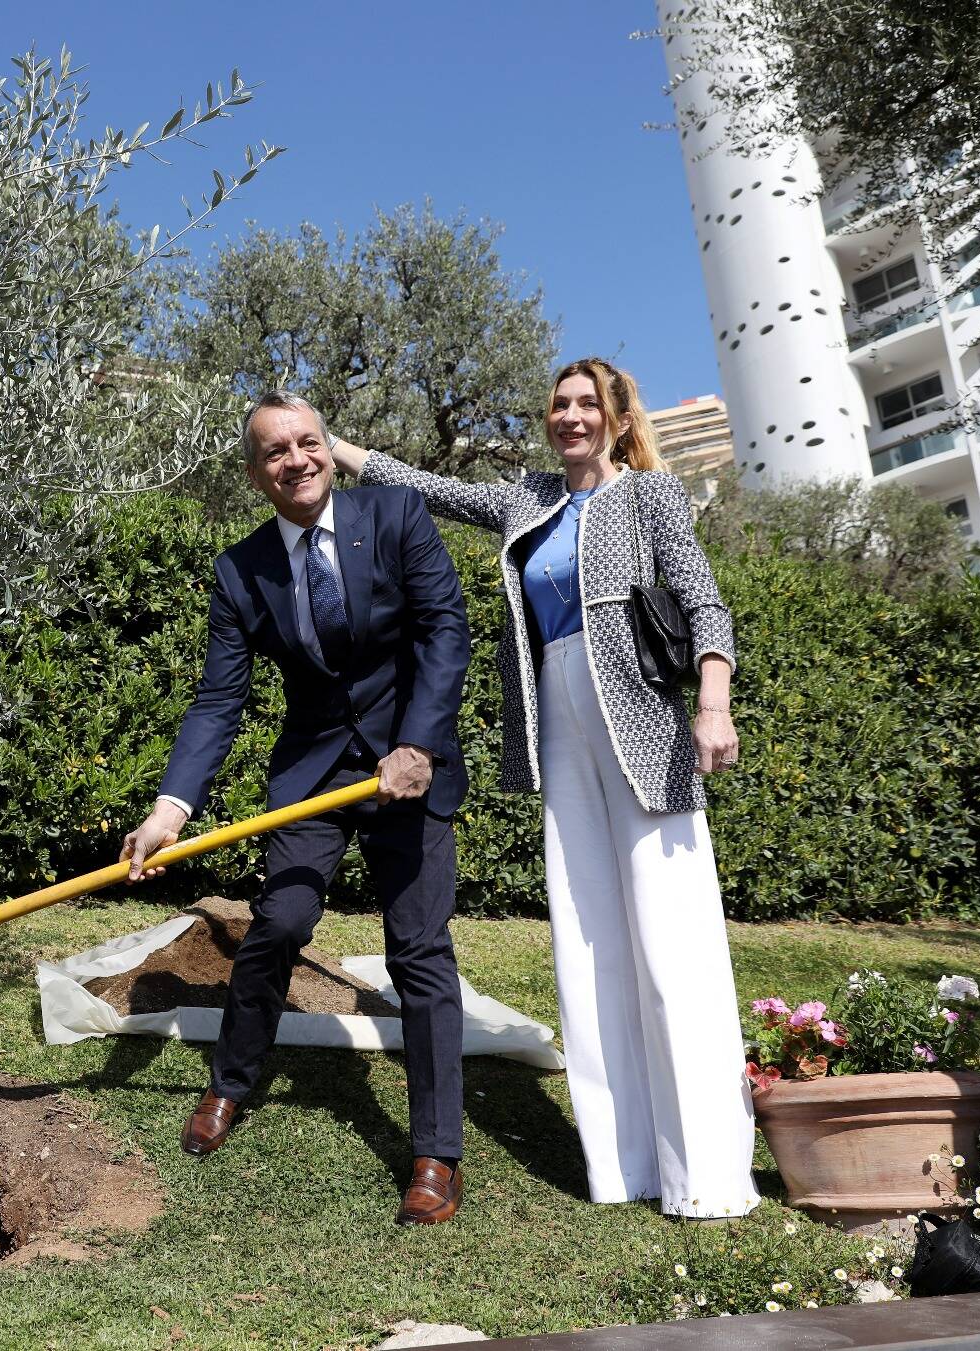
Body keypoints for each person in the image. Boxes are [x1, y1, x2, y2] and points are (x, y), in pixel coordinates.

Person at [327, 356, 758, 1220]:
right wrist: (331, 445)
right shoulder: (530, 498)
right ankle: (623, 1165)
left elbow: (704, 604)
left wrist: (713, 705)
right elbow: (431, 485)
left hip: (645, 728)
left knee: (671, 947)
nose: (569, 416)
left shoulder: (649, 496)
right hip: (558, 728)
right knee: (588, 940)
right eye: (559, 404)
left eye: (585, 404)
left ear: (615, 415)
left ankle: (706, 1171)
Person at [120, 390, 474, 1226]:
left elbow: (444, 629)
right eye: (275, 452)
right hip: (315, 774)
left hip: (408, 766)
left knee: (419, 949)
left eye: (307, 442)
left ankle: (435, 1152)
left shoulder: (394, 515)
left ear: (328, 446)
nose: (297, 460)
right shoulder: (239, 570)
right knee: (278, 922)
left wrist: (418, 743)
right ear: (256, 474)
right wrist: (171, 808)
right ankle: (229, 1083)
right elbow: (218, 701)